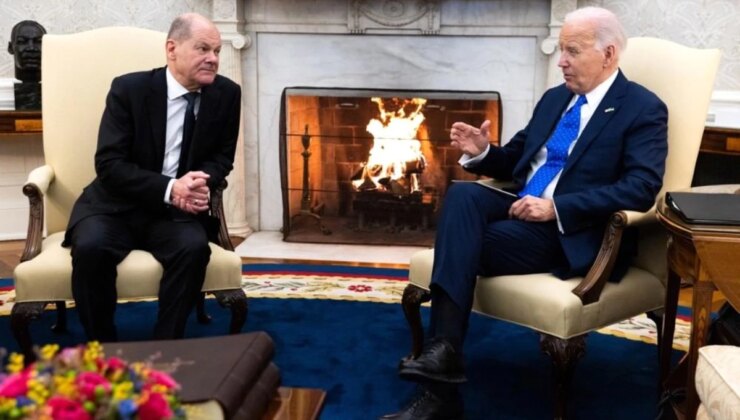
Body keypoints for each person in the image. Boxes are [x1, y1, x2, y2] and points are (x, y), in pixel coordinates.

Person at [382, 6, 668, 419]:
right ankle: (444, 356)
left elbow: (641, 187)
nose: (561, 61)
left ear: (608, 54)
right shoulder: (556, 99)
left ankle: (438, 390)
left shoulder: (642, 108)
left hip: (570, 231)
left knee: (458, 244)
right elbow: (517, 159)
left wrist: (556, 208)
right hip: (520, 207)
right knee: (462, 196)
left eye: (572, 51)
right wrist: (483, 151)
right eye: (561, 50)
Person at [63, 13, 241, 341]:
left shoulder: (227, 94)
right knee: (90, 248)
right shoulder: (129, 89)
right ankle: (102, 346)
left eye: (217, 51)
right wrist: (172, 188)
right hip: (114, 206)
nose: (213, 59)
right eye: (203, 49)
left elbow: (222, 157)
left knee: (193, 248)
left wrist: (200, 181)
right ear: (172, 49)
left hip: (176, 214)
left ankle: (166, 346)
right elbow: (109, 164)